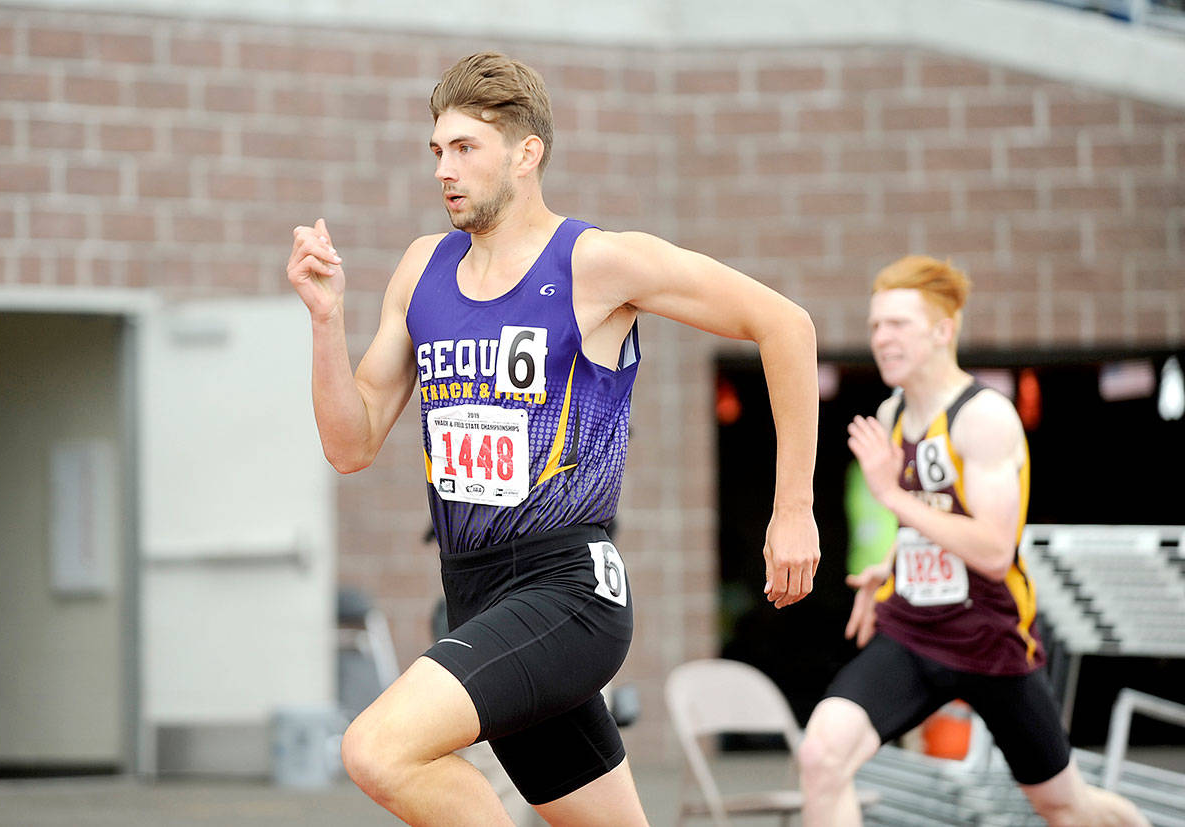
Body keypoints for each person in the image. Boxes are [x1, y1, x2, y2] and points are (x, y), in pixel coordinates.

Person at [287, 51, 821, 826]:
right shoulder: (421, 270)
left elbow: (786, 325)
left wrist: (794, 507)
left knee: (377, 747)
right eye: (437, 151)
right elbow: (350, 443)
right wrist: (326, 319)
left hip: (568, 591)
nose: (445, 169)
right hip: (474, 596)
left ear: (526, 153)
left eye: (466, 148)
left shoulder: (594, 262)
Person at [796, 256, 1147, 826]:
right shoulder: (893, 413)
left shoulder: (983, 417)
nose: (881, 338)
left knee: (1064, 806)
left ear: (943, 330)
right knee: (822, 756)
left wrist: (892, 495)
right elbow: (927, 519)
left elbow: (991, 550)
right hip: (912, 633)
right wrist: (889, 566)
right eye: (875, 325)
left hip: (991, 643)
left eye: (898, 325)